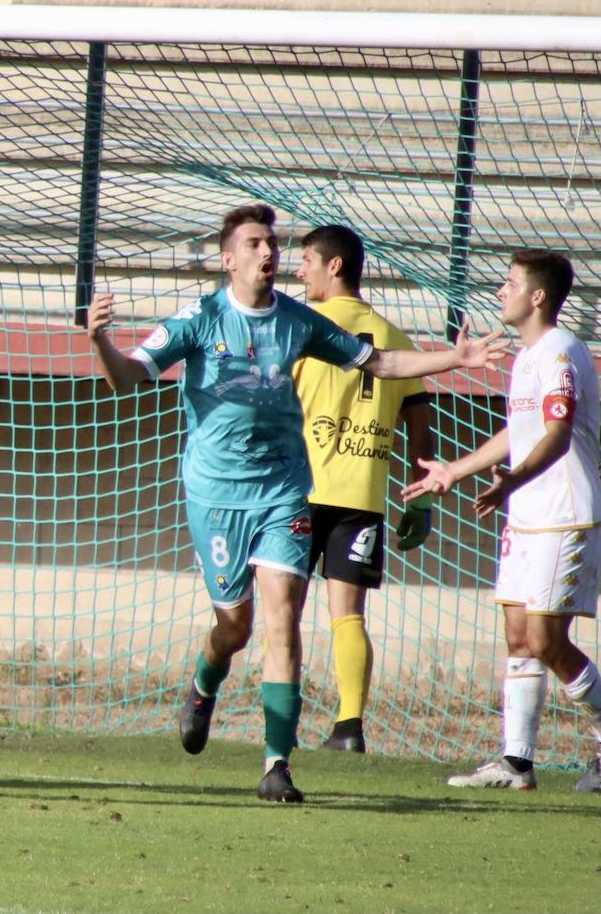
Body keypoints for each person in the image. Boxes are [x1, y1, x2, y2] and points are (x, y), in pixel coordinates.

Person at [84, 203, 506, 802]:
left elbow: (380, 362)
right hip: (216, 495)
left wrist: (454, 360)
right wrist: (100, 337)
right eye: (255, 243)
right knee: (236, 623)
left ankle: (276, 764)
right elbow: (127, 377)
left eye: (272, 243)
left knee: (283, 615)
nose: (268, 252)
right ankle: (207, 680)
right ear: (228, 259)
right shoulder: (198, 319)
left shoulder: (298, 320)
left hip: (285, 491)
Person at [404, 250, 601, 793]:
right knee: (519, 636)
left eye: (510, 283)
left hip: (564, 514)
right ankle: (516, 763)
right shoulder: (526, 359)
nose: (500, 291)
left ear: (537, 296)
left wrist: (511, 481)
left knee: (546, 640)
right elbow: (520, 432)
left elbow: (557, 435)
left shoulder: (561, 351)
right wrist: (456, 471)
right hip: (527, 515)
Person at [292, 225, 435, 754]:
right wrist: (419, 494)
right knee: (347, 613)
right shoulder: (394, 336)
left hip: (300, 493)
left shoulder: (302, 327)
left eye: (307, 259)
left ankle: (278, 721)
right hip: (362, 497)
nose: (299, 269)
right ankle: (348, 727)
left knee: (284, 610)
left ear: (335, 266)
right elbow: (420, 419)